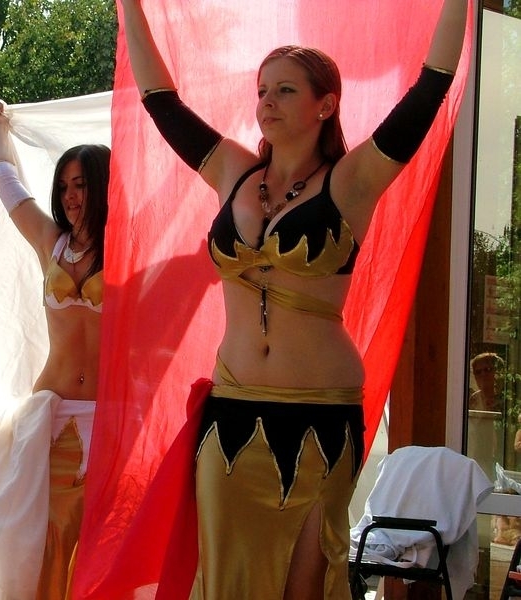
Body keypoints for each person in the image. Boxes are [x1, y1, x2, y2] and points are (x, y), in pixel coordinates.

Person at [119, 0, 467, 597]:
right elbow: (160, 100)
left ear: (325, 105)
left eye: (284, 90)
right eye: (262, 91)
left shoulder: (352, 180)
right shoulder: (232, 170)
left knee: (307, 585)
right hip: (231, 411)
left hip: (320, 414)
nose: (267, 102)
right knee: (226, 583)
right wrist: (129, 5)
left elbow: (429, 89)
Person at [0, 101, 110, 599]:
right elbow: (8, 182)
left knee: (92, 537)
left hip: (107, 416)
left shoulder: (130, 247)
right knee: (32, 537)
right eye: (65, 185)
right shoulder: (51, 242)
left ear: (103, 186)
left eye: (82, 184)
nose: (70, 196)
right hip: (45, 416)